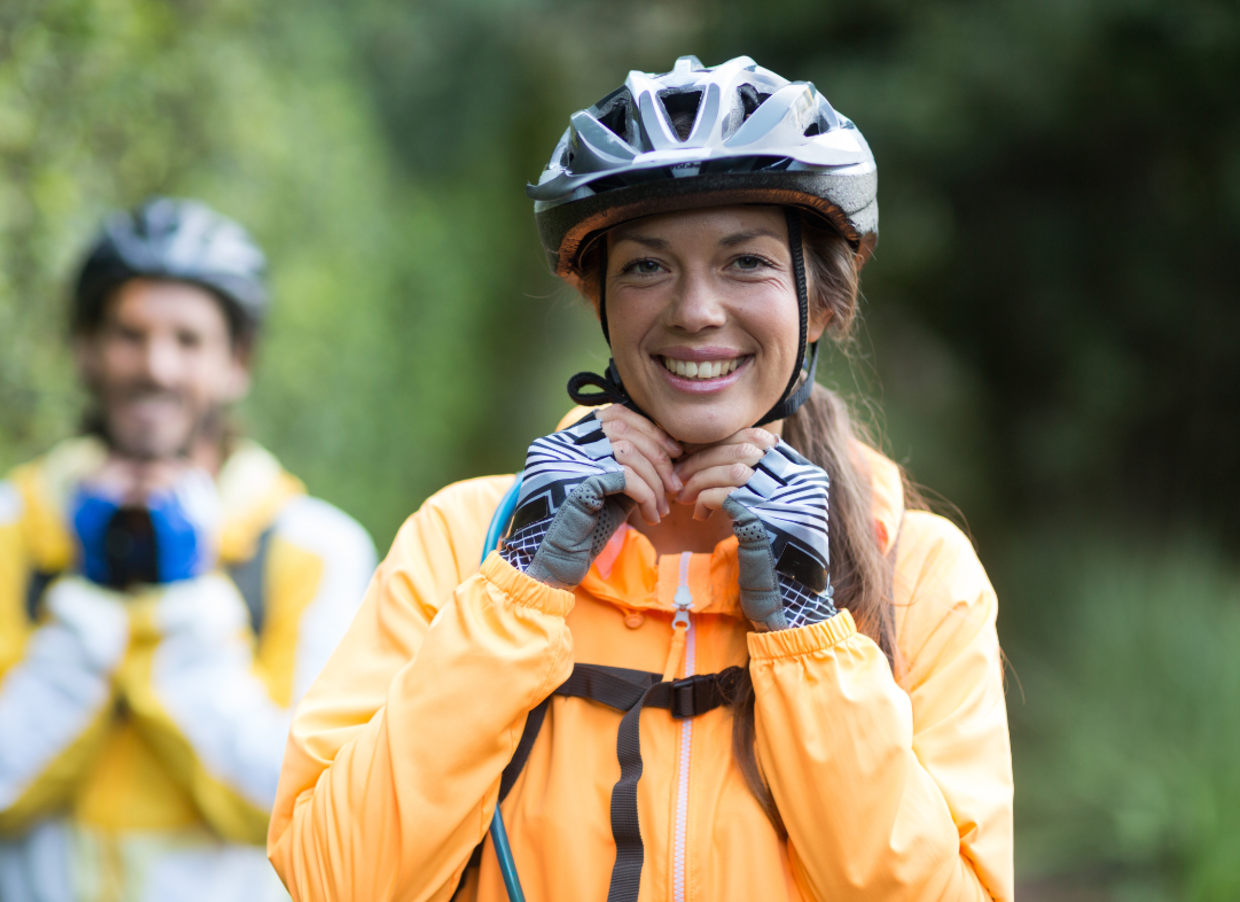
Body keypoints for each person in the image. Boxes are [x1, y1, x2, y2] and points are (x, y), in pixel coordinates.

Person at [268, 56, 1013, 901]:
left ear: (825, 301)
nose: (695, 309)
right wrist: (518, 591)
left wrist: (808, 637)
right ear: (600, 302)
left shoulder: (917, 570)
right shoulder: (463, 539)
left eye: (747, 263)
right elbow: (337, 881)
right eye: (647, 267)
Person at [0, 198, 376, 902]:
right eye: (129, 334)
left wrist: (182, 603)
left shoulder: (319, 551)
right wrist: (93, 605)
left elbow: (301, 803)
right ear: (87, 350)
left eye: (189, 340)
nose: (156, 366)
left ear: (237, 362)